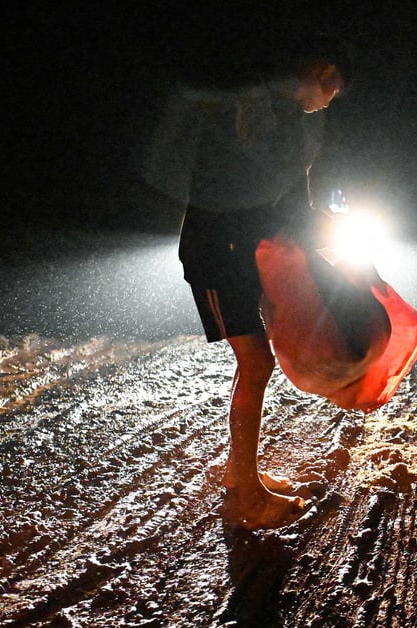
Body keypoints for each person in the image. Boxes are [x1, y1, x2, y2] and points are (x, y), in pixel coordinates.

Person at [145, 31, 351, 530]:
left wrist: (319, 224)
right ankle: (245, 498)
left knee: (255, 362)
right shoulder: (260, 113)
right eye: (333, 90)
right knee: (256, 361)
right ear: (321, 76)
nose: (331, 102)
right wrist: (310, 227)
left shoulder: (283, 119)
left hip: (237, 253)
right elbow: (247, 191)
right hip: (216, 253)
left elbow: (286, 202)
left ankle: (243, 478)